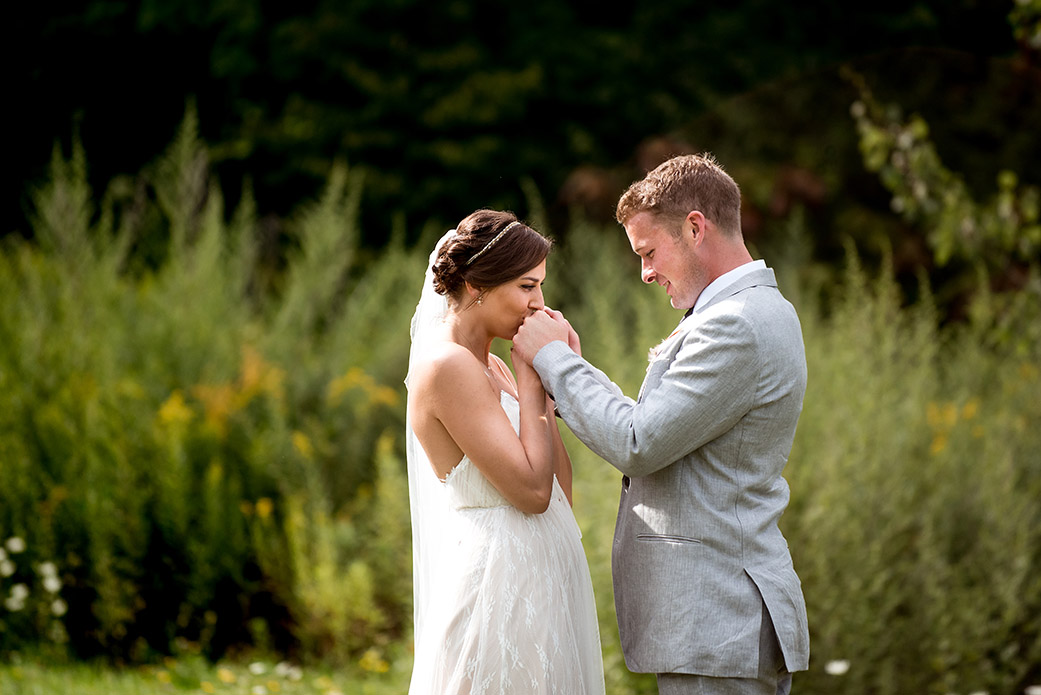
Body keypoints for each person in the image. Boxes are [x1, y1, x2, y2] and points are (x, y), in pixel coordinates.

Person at [512, 154, 810, 695]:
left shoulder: (735, 324)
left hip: (718, 626)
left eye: (648, 252)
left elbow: (638, 441)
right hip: (718, 630)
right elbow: (655, 424)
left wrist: (555, 363)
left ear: (695, 227)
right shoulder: (747, 312)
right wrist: (574, 367)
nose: (645, 272)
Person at [404, 209, 605, 694]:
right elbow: (533, 493)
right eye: (526, 286)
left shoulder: (491, 366)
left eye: (539, 287)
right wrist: (533, 377)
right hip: (496, 586)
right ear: (476, 285)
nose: (539, 305)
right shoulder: (448, 365)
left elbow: (560, 489)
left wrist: (550, 379)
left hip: (539, 581)